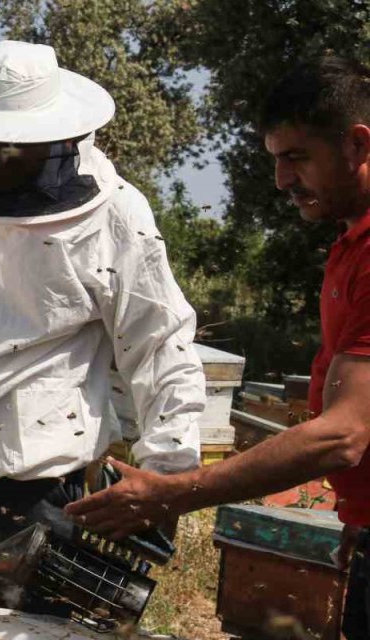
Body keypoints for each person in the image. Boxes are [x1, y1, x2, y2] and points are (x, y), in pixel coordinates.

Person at [0, 40, 207, 603]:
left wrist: (170, 472)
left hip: (37, 490)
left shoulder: (114, 212)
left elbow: (159, 342)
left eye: (12, 148)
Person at [64, 56, 370, 639]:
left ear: (358, 144)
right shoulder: (349, 244)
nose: (281, 181)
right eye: (275, 159)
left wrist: (177, 492)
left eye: (296, 157)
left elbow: (344, 433)